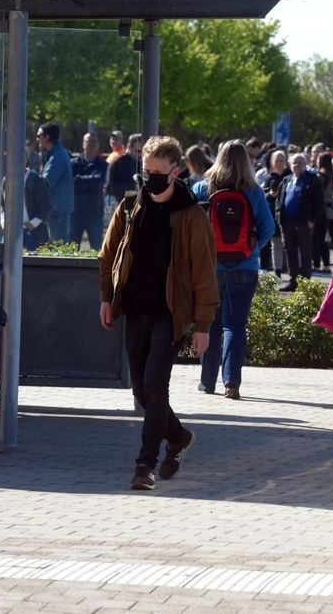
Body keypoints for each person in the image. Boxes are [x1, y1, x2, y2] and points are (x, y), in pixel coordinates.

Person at [99, 135, 218, 490]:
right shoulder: (130, 206)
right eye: (145, 170)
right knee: (142, 392)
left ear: (175, 171)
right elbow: (107, 256)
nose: (148, 177)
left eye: (157, 172)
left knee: (155, 386)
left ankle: (144, 466)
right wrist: (107, 298)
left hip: (171, 313)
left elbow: (204, 272)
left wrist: (203, 325)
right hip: (135, 309)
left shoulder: (191, 215)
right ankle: (178, 436)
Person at [192, 141, 275, 400]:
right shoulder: (254, 191)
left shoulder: (202, 189)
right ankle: (232, 383)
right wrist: (250, 249)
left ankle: (207, 382)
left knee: (210, 323)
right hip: (244, 267)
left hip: (211, 267)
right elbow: (268, 229)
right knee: (235, 325)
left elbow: (190, 225)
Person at [277, 152, 323, 291]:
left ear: (305, 164)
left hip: (304, 223)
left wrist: (312, 220)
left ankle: (305, 285)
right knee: (290, 253)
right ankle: (293, 282)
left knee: (305, 253)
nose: (297, 165)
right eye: (294, 162)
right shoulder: (286, 180)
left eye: (300, 162)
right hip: (287, 223)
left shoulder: (312, 179)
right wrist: (280, 218)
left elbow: (319, 201)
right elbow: (279, 201)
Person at [70, 132, 108, 250]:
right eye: (88, 141)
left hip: (95, 213)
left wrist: (78, 179)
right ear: (83, 144)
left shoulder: (103, 165)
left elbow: (98, 181)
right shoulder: (72, 164)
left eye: (94, 142)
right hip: (75, 213)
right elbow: (71, 182)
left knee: (97, 251)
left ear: (98, 145)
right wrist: (90, 180)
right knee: (71, 250)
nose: (91, 144)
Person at [36, 122, 74, 243]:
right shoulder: (53, 154)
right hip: (54, 211)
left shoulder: (58, 156)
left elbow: (46, 182)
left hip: (57, 212)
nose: (37, 139)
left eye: (38, 136)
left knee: (58, 249)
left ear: (47, 137)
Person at [262, 150, 291, 279]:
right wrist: (271, 195)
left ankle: (294, 271)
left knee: (290, 245)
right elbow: (264, 195)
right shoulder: (270, 177)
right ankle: (277, 271)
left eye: (281, 160)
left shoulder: (290, 176)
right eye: (277, 160)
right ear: (272, 162)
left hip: (288, 215)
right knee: (276, 245)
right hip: (274, 214)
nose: (279, 162)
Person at [312, 153, 333, 273]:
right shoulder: (332, 175)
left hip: (320, 209)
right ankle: (326, 265)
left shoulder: (320, 176)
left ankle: (316, 265)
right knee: (322, 239)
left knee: (316, 239)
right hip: (328, 210)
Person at [105, 132, 141, 206]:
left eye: (142, 151)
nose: (140, 154)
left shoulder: (141, 164)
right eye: (137, 151)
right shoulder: (117, 163)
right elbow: (112, 189)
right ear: (129, 146)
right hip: (121, 204)